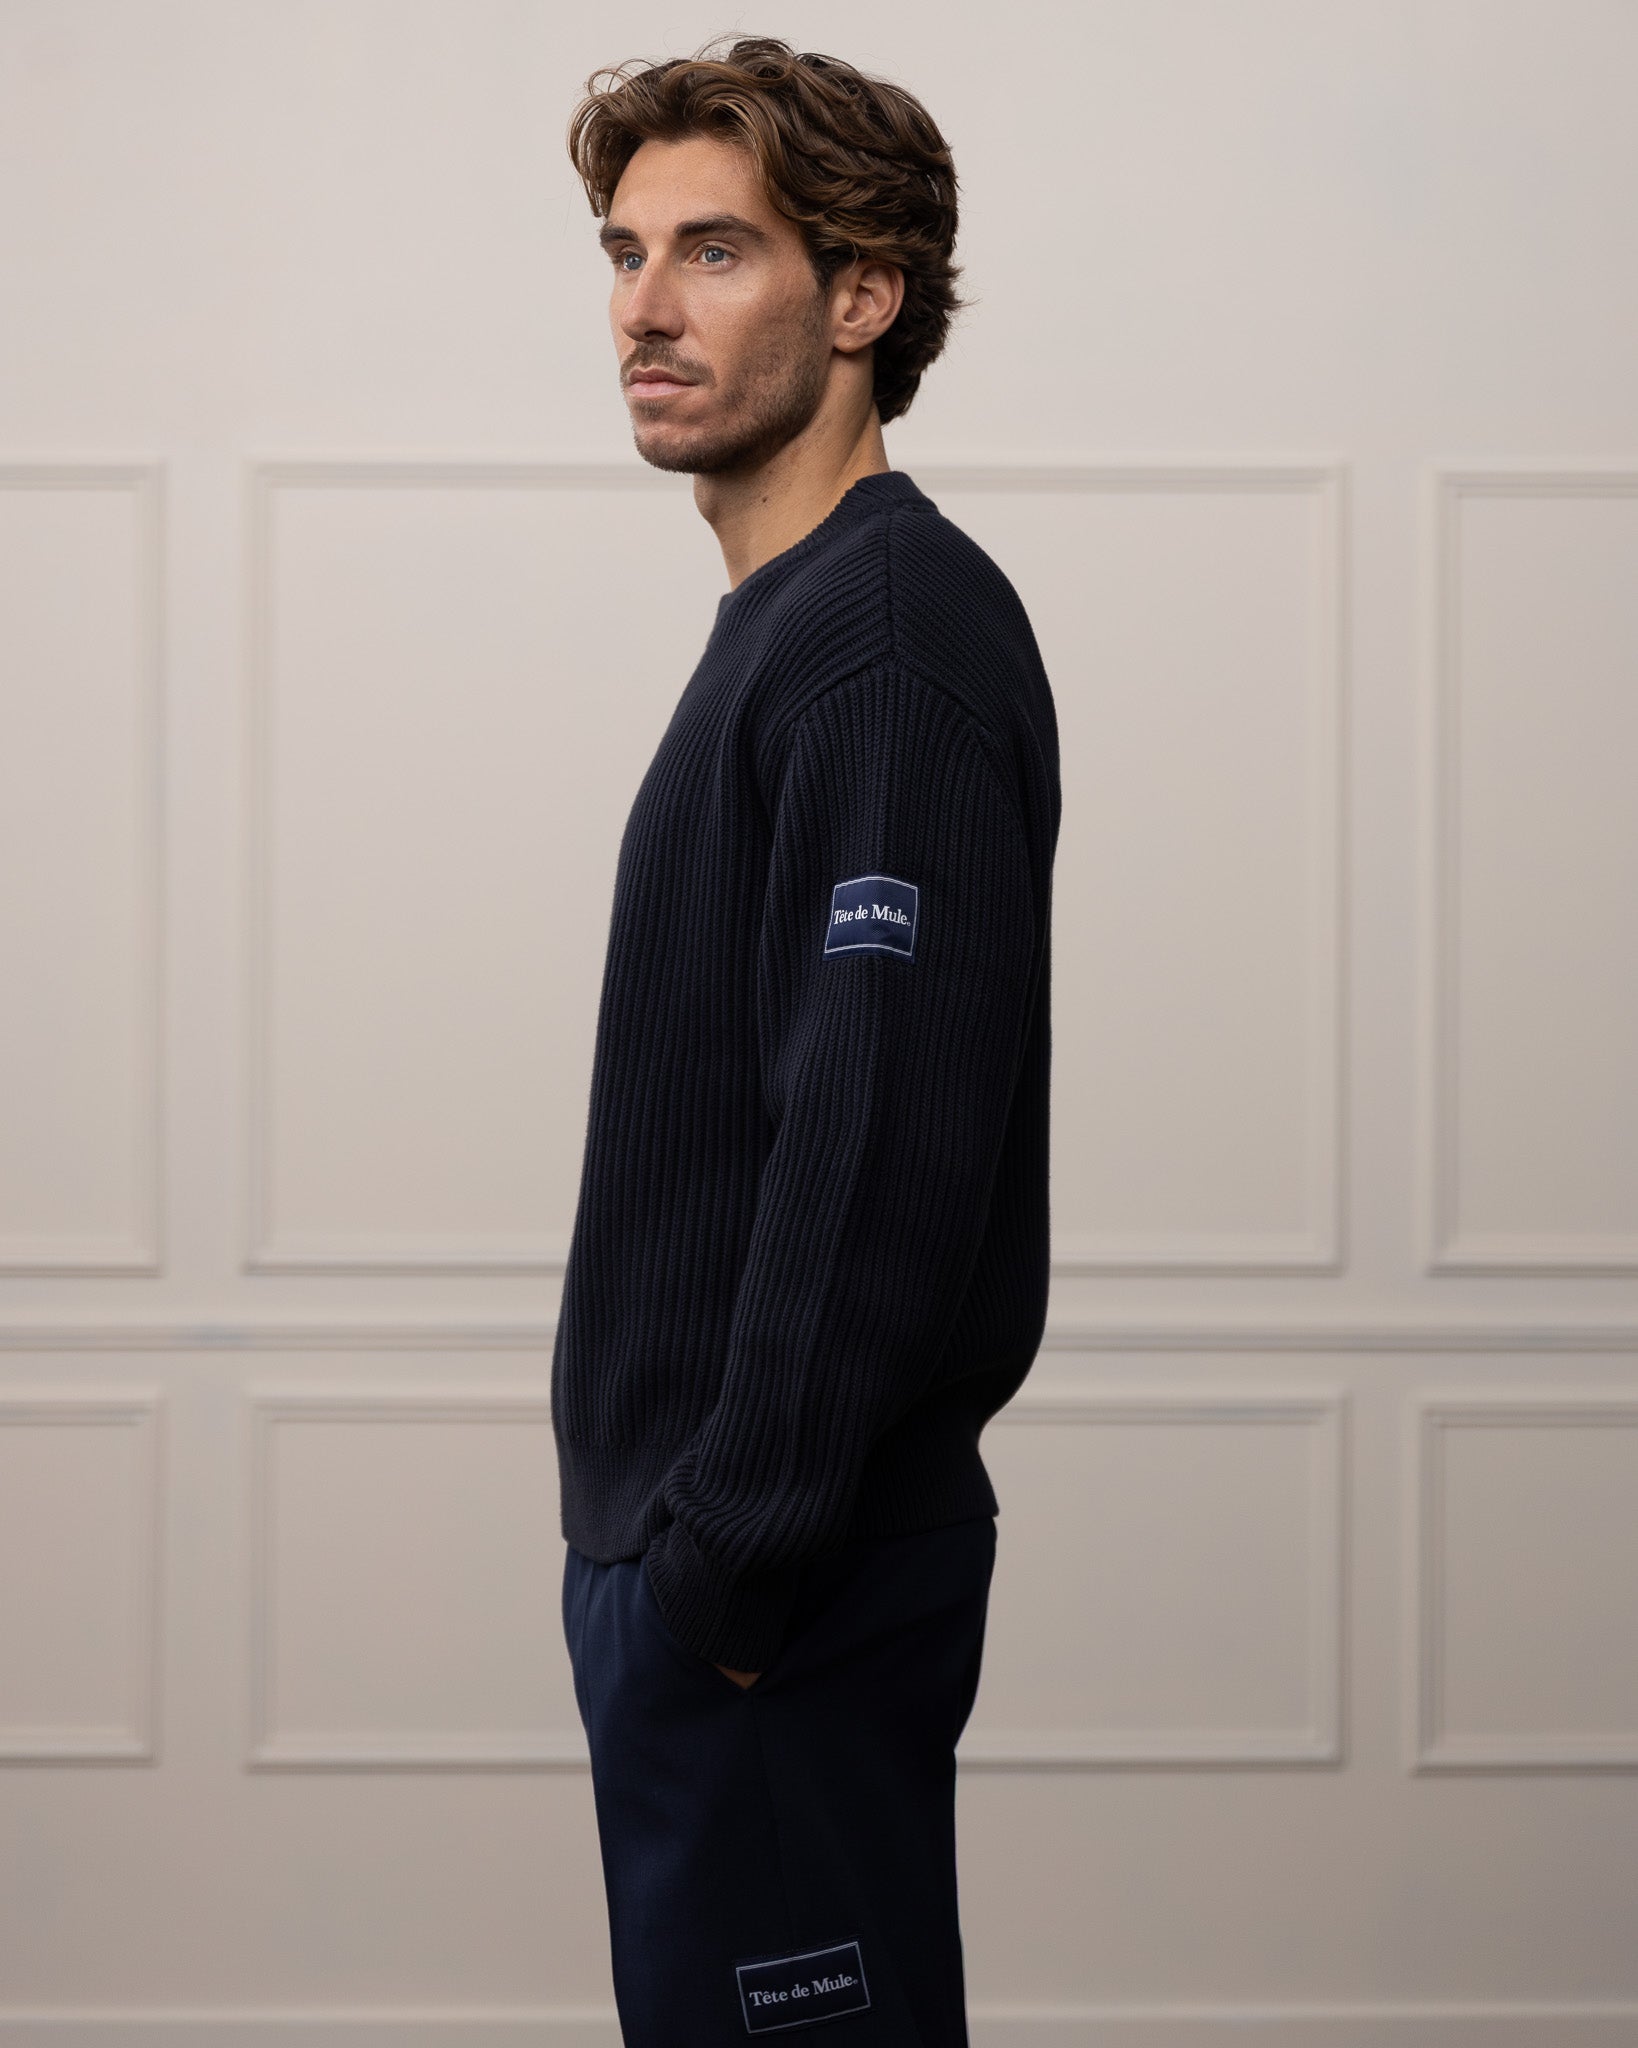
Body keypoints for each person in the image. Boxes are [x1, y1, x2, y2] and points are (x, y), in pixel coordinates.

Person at [552, 33, 1060, 2044]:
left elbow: (880, 1133)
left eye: (716, 251)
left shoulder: (883, 640)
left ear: (862, 298)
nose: (644, 309)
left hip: (777, 1579)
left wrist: (733, 1566)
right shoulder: (796, 623)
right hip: (713, 1570)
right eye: (625, 251)